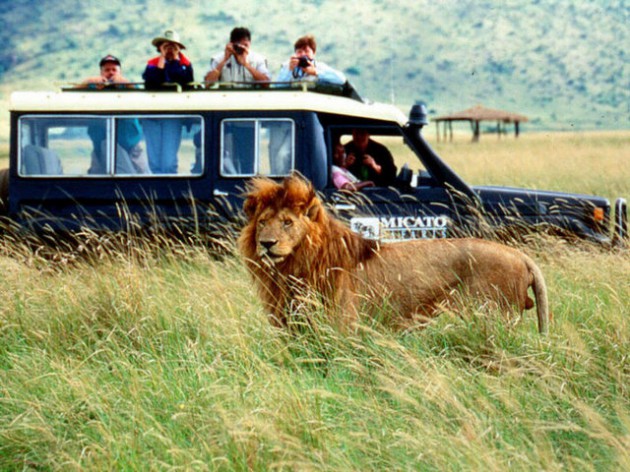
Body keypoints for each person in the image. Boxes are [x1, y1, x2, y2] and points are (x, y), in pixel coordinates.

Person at [142, 29, 193, 173]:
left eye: (174, 46)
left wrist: (175, 60)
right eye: (166, 46)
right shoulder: (152, 64)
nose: (170, 49)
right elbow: (151, 83)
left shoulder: (185, 65)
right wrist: (162, 62)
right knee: (154, 161)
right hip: (152, 115)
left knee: (169, 161)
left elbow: (184, 80)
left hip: (173, 115)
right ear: (159, 48)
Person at [204, 27, 271, 84]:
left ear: (250, 43)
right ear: (232, 44)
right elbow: (207, 83)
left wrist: (246, 64)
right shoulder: (218, 58)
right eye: (239, 45)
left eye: (245, 45)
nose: (242, 48)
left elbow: (266, 83)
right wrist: (224, 60)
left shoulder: (258, 59)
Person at [276, 35, 346, 85]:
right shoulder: (288, 66)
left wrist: (316, 72)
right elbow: (278, 86)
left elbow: (341, 80)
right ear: (295, 54)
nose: (303, 54)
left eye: (307, 51)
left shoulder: (319, 67)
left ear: (314, 53)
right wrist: (289, 70)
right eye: (299, 52)